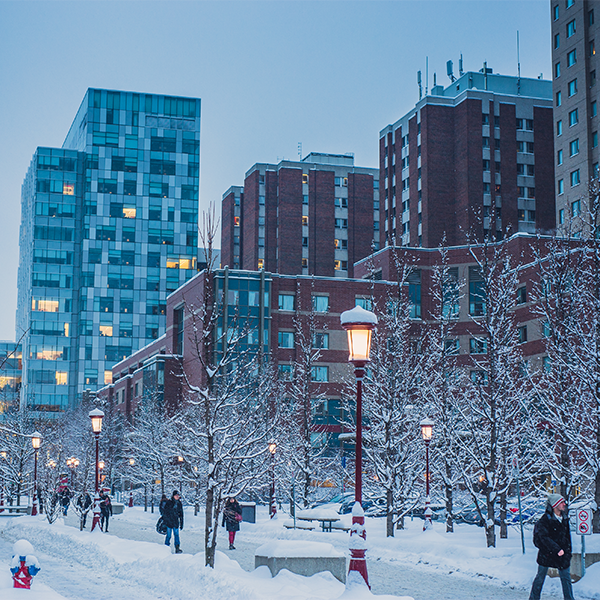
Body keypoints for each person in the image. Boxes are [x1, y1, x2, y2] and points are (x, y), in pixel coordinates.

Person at [529, 493, 574, 600]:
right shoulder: (545, 520)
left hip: (563, 554)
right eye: (561, 502)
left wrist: (568, 552)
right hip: (547, 554)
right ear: (555, 505)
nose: (564, 504)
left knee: (566, 579)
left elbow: (567, 537)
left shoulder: (564, 518)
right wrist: (556, 549)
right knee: (540, 577)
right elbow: (543, 538)